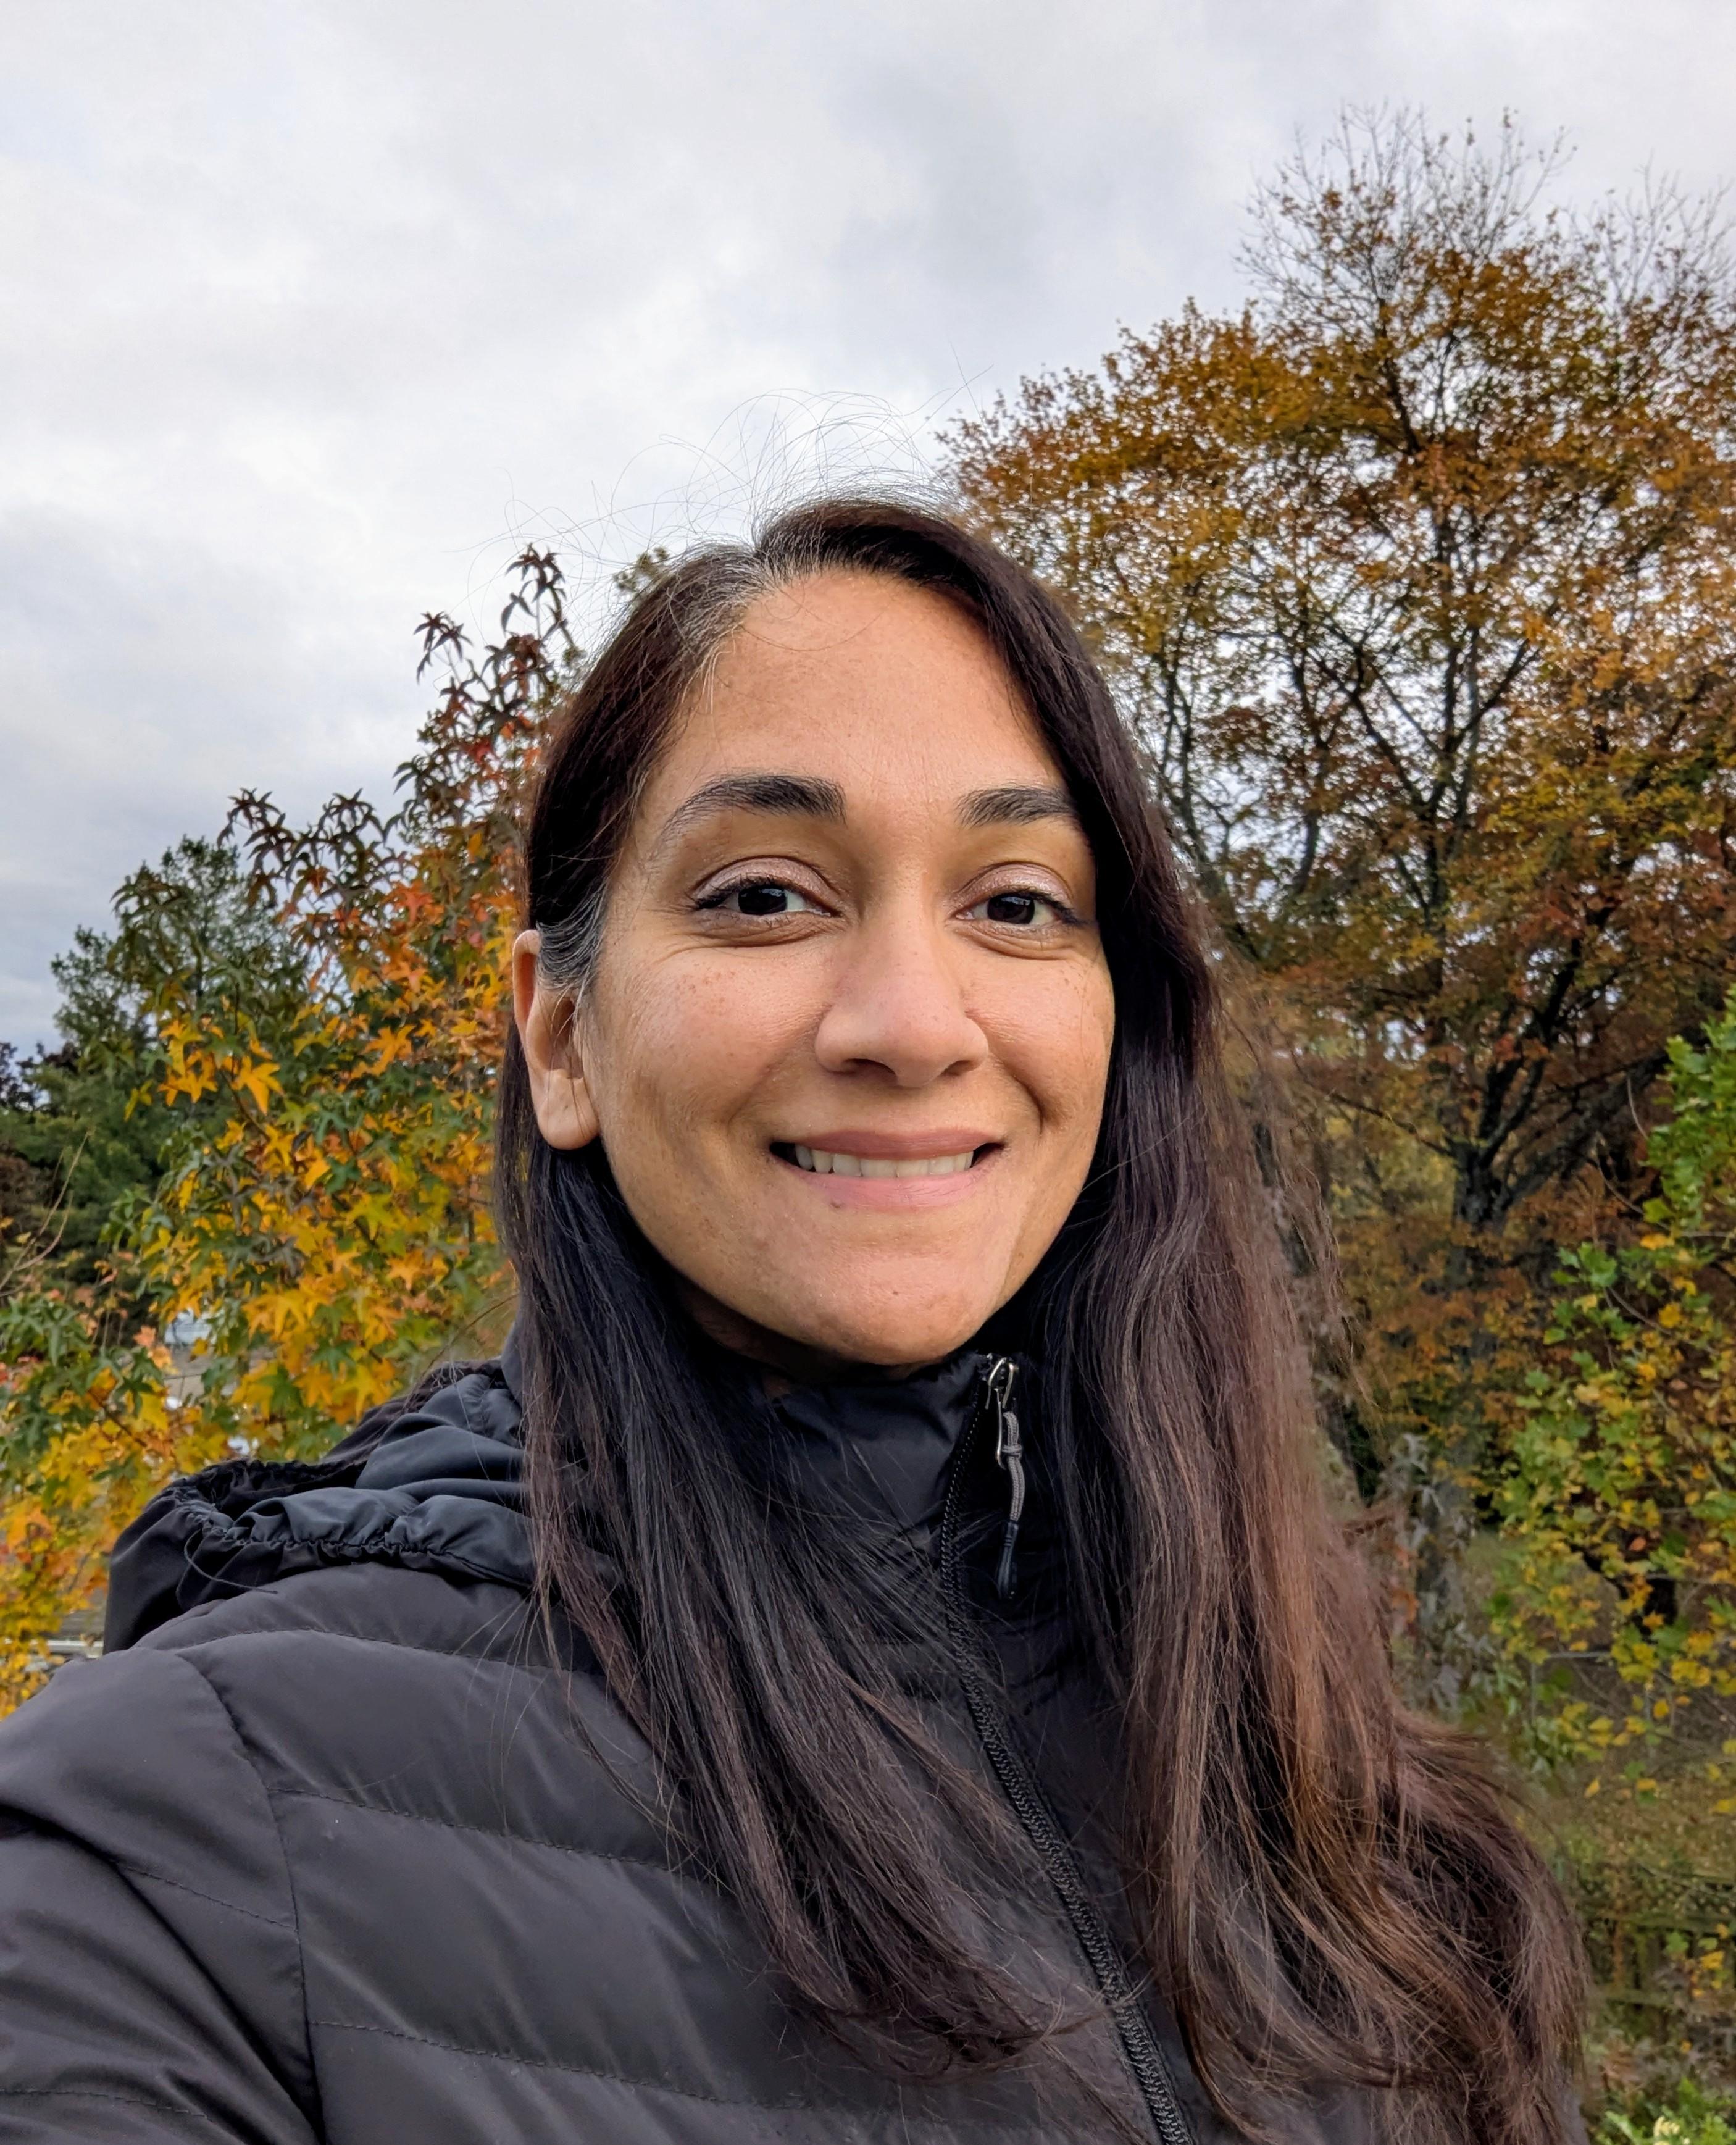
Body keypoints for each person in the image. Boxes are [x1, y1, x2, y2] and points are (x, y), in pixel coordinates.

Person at [0, 499, 1584, 2143]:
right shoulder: (195, 1841)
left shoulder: (1350, 1810)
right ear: (560, 1040)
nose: (909, 1019)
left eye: (1019, 902)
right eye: (763, 896)